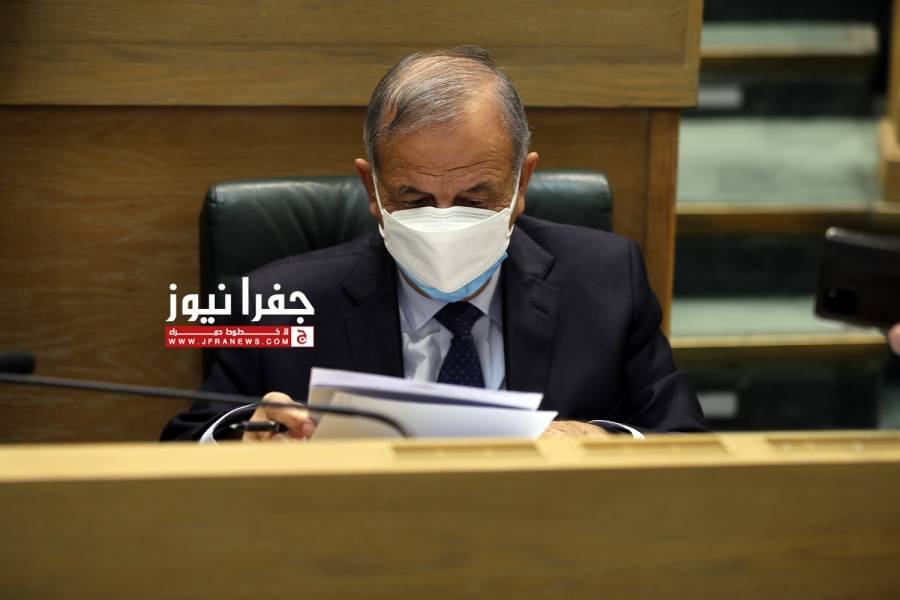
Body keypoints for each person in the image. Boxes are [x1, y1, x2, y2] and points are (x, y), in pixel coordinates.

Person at [161, 46, 706, 442]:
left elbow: (684, 442)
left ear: (522, 184)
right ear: (372, 191)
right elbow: (186, 443)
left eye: (475, 196)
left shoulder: (607, 280)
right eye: (416, 199)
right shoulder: (277, 301)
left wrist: (601, 440)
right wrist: (238, 438)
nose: (446, 221)